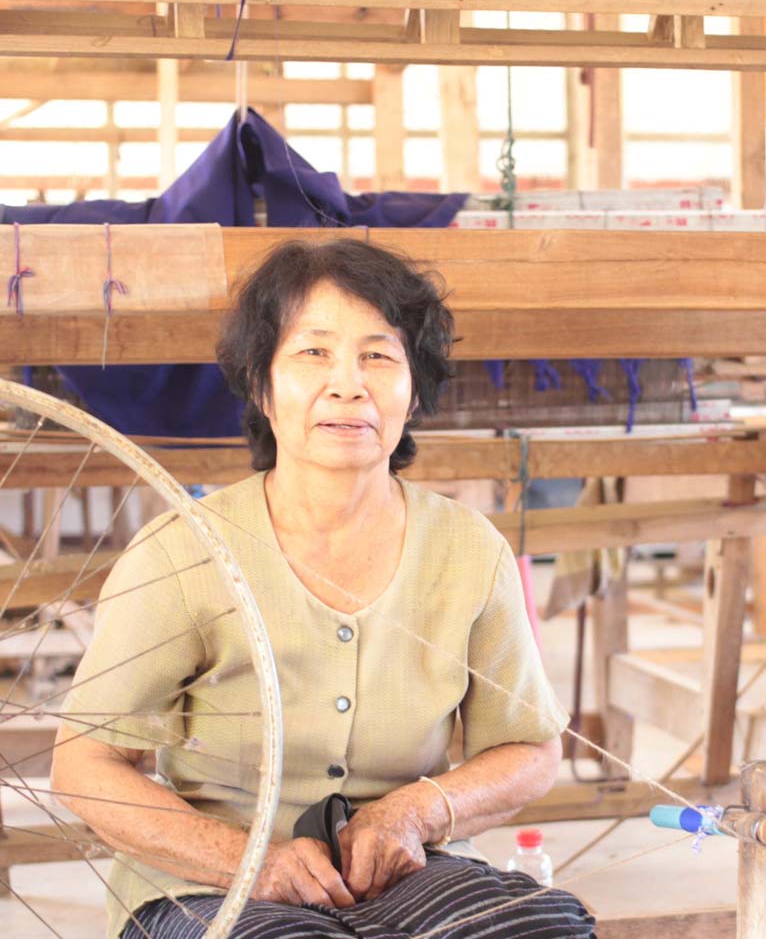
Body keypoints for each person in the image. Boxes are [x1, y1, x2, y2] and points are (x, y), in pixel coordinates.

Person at [52, 239, 595, 939]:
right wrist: (249, 860)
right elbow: (84, 763)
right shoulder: (183, 550)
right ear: (261, 386)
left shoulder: (468, 550)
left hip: (404, 872)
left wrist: (415, 813)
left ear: (414, 391)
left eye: (379, 356)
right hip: (212, 883)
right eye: (313, 353)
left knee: (544, 927)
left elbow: (529, 749)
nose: (349, 385)